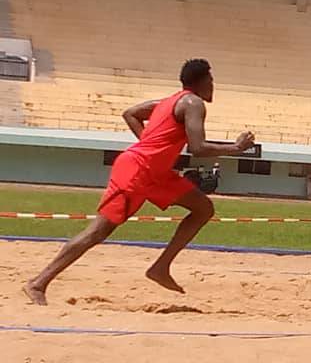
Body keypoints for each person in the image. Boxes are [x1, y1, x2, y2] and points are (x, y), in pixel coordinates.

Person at [23, 59, 255, 306]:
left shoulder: (168, 102)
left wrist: (150, 144)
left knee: (203, 209)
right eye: (211, 79)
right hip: (137, 171)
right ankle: (38, 282)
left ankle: (161, 267)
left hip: (156, 173)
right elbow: (197, 148)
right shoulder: (192, 103)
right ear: (200, 81)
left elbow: (130, 113)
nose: (213, 84)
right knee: (98, 231)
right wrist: (236, 148)